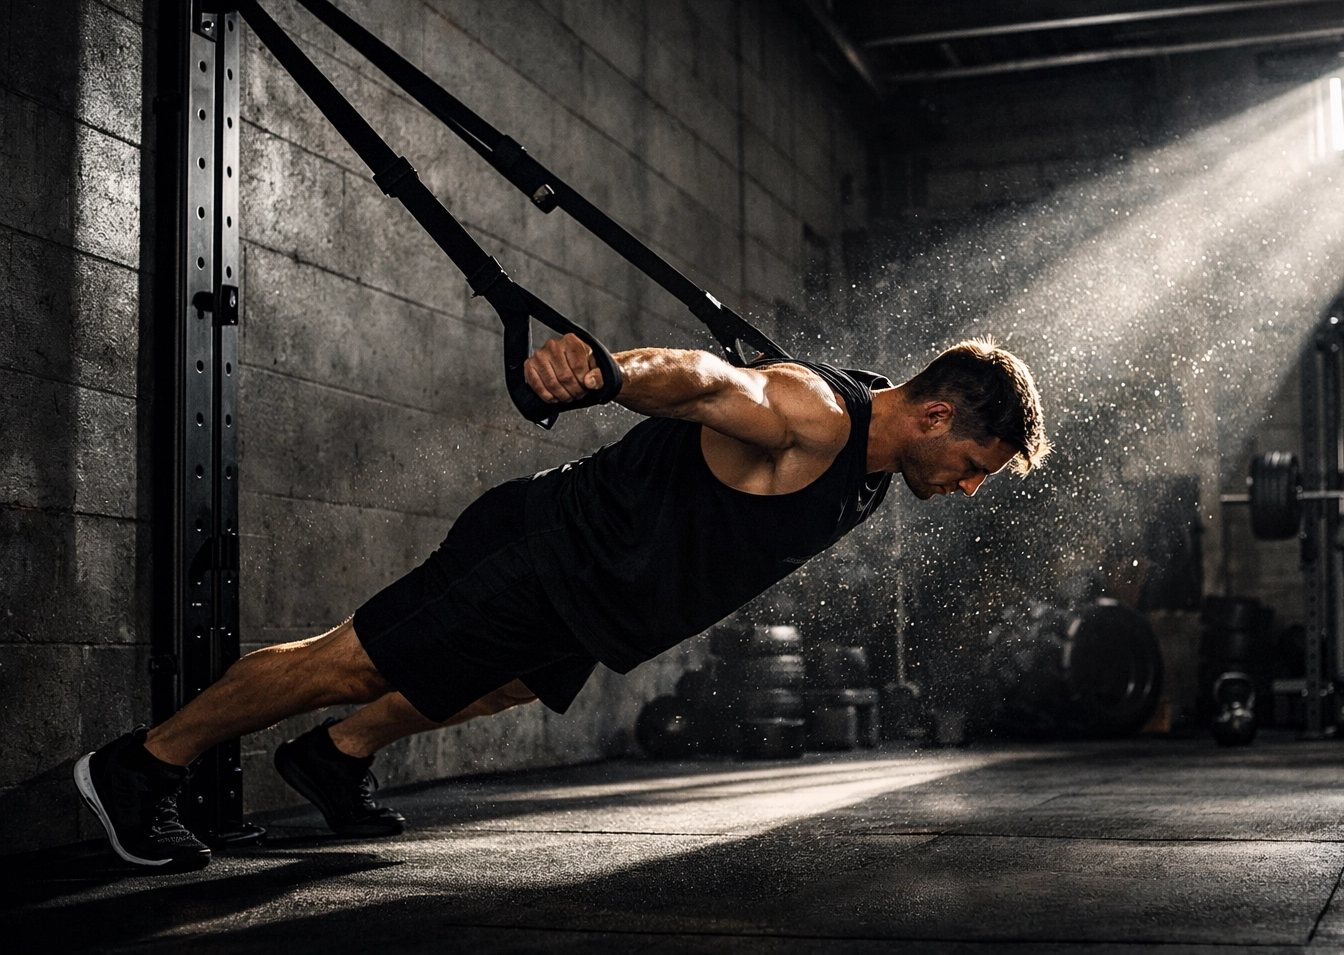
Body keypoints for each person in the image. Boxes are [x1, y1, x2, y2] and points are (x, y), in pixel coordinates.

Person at [74, 334, 1049, 869]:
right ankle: (141, 766)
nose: (966, 487)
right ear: (935, 414)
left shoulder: (875, 442)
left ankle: (335, 756)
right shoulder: (817, 413)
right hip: (544, 552)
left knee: (500, 686)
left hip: (588, 597)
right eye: (972, 464)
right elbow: (710, 380)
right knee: (355, 657)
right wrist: (610, 372)